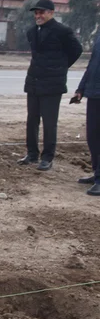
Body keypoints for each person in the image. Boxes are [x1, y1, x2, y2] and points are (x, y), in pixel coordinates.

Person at [17, 0, 83, 171]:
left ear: (51, 13)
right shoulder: (32, 31)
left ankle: (47, 157)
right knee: (32, 120)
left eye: (42, 12)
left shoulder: (62, 31)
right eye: (36, 13)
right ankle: (32, 154)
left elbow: (77, 50)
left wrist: (60, 67)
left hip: (52, 84)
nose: (38, 16)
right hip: (34, 81)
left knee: (49, 121)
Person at [73, 32, 100, 196]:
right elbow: (92, 64)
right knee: (93, 136)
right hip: (94, 93)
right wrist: (81, 88)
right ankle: (97, 173)